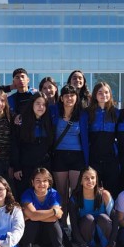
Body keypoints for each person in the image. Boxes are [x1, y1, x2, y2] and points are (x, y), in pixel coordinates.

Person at [50, 85, 88, 236]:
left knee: (76, 193)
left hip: (77, 155)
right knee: (61, 193)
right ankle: (62, 224)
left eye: (72, 95)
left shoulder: (83, 114)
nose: (69, 98)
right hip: (59, 155)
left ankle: (77, 225)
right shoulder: (54, 112)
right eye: (66, 95)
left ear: (76, 98)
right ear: (61, 98)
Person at [18, 168, 68, 247]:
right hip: (31, 233)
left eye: (45, 180)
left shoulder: (54, 194)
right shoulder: (27, 194)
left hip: (48, 233)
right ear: (32, 182)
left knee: (52, 223)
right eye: (38, 180)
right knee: (31, 223)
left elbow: (55, 218)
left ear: (49, 183)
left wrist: (34, 216)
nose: (42, 183)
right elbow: (53, 214)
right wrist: (53, 211)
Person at [10, 94, 54, 198]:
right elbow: (15, 145)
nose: (40, 107)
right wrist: (16, 167)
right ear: (32, 105)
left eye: (43, 104)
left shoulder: (48, 122)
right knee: (24, 197)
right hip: (25, 168)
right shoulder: (21, 121)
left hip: (43, 166)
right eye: (38, 103)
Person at [70, 167, 117, 247]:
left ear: (96, 180)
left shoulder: (104, 195)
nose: (90, 181)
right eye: (86, 178)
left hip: (104, 234)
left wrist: (111, 245)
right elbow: (73, 225)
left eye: (92, 178)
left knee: (103, 217)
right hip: (85, 236)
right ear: (81, 181)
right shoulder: (75, 198)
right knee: (88, 218)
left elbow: (115, 221)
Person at [85, 82, 120, 195]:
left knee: (112, 189)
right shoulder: (87, 112)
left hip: (111, 157)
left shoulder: (116, 113)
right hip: (94, 156)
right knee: (95, 190)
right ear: (95, 95)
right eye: (100, 92)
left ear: (110, 94)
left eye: (106, 92)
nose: (103, 95)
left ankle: (111, 212)